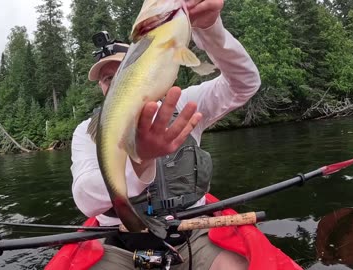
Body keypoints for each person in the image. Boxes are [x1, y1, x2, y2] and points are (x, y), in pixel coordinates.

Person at [70, 0, 261, 269]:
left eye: (119, 71)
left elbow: (245, 84)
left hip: (193, 236)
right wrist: (139, 164)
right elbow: (86, 199)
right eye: (106, 79)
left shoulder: (182, 105)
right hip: (120, 244)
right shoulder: (87, 132)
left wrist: (210, 30)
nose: (112, 82)